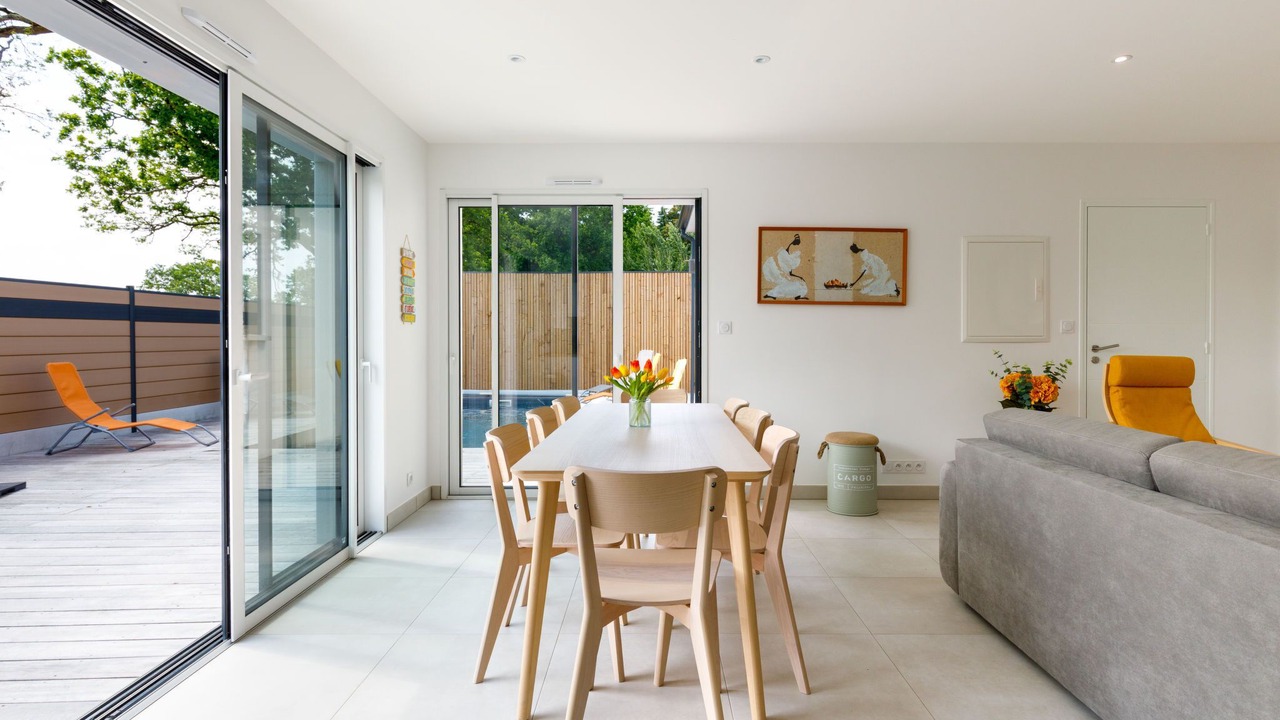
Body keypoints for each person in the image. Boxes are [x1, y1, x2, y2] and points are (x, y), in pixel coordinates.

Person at [762, 234, 808, 299]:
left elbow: (789, 272)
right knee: (795, 285)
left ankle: (773, 294)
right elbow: (778, 261)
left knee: (801, 284)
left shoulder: (790, 256)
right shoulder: (783, 253)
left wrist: (799, 277)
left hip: (777, 271)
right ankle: (772, 294)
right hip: (772, 269)